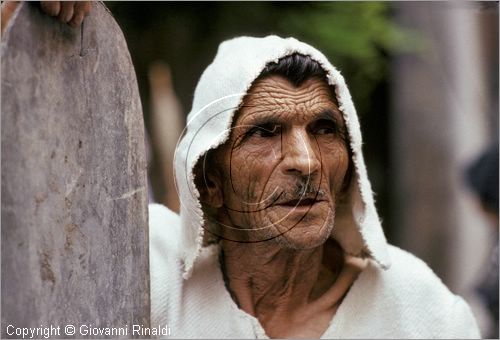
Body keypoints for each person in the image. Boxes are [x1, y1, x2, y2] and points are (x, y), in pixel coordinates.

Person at [3, 3, 481, 338]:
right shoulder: (145, 273)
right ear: (209, 181)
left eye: (323, 129)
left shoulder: (425, 316)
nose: (306, 161)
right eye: (266, 131)